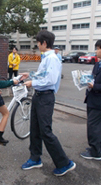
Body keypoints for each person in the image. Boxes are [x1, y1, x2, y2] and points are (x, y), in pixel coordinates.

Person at [20, 30, 76, 177]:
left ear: (44, 43)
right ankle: (35, 158)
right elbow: (43, 75)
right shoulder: (46, 57)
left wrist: (32, 82)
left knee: (45, 131)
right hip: (40, 96)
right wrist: (30, 75)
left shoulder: (52, 58)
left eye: (38, 42)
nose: (37, 45)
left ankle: (64, 163)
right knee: (35, 128)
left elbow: (50, 80)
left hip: (45, 97)